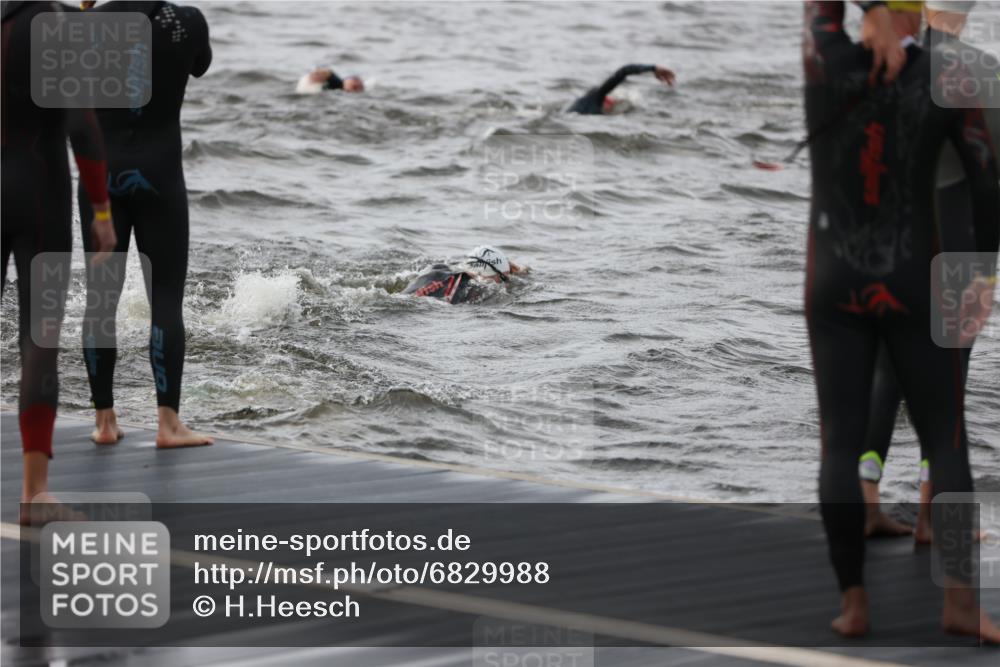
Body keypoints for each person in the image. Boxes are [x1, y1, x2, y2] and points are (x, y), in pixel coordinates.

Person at [803, 0, 1000, 640]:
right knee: (946, 432)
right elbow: (987, 179)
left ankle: (854, 604)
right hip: (922, 267)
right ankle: (960, 598)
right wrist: (986, 271)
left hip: (834, 275)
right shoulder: (960, 75)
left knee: (841, 435)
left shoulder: (825, 64)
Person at [860, 0, 1000, 542]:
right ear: (967, 12)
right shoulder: (982, 70)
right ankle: (931, 518)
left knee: (886, 371)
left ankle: (866, 503)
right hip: (957, 241)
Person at [79, 0, 214, 448]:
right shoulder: (188, 21)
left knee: (100, 301)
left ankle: (104, 422)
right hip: (161, 177)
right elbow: (201, 66)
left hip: (101, 179)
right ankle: (168, 424)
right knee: (166, 299)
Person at [2, 0, 117, 523]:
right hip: (39, 195)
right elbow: (82, 124)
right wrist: (100, 208)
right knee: (39, 338)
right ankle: (34, 493)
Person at [403, 246, 524, 304]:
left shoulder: (439, 268)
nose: (505, 282)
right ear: (490, 274)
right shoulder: (472, 291)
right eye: (504, 278)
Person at [567, 64, 675, 115]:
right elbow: (623, 71)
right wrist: (653, 68)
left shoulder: (576, 106)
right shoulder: (596, 98)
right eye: (610, 102)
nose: (612, 104)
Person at [296, 67, 365, 94]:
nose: (357, 84)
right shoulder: (337, 82)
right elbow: (327, 73)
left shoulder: (337, 83)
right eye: (355, 81)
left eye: (360, 86)